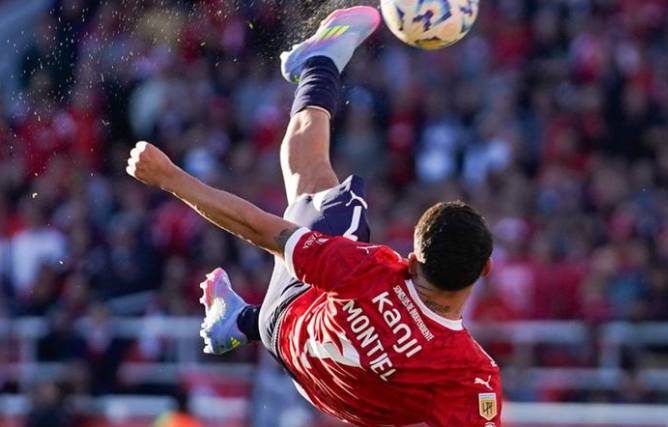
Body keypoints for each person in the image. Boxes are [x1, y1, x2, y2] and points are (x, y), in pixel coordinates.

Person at [125, 6, 503, 427]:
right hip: (307, 374)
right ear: (485, 269)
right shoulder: (471, 375)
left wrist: (169, 177)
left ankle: (319, 64)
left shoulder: (369, 270)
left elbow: (257, 227)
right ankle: (240, 321)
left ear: (412, 260)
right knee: (319, 206)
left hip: (289, 322)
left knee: (326, 197)